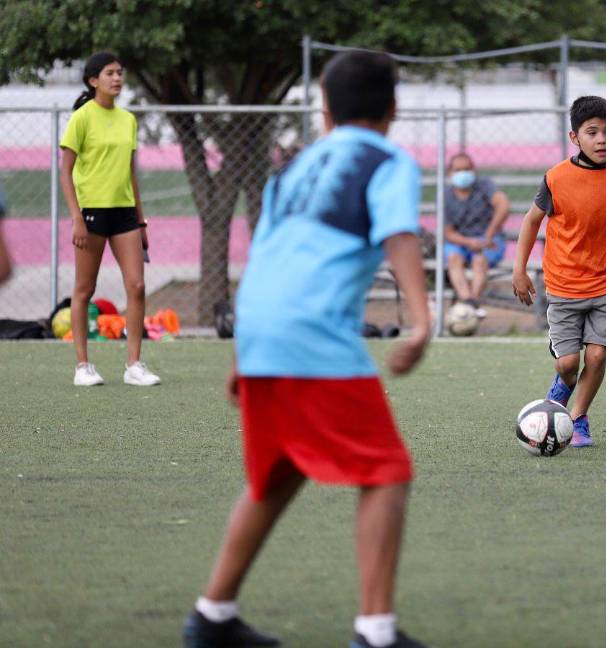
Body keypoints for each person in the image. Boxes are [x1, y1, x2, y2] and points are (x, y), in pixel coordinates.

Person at [182, 51, 431, 648]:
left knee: (277, 474)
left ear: (324, 111)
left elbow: (264, 255)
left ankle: (212, 617)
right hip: (312, 335)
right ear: (393, 109)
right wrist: (421, 322)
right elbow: (398, 233)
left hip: (263, 328)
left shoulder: (291, 169)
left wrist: (244, 350)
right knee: (386, 472)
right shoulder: (388, 160)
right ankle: (375, 632)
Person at [512, 96, 606, 448]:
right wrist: (519, 270)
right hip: (564, 283)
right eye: (592, 132)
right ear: (575, 138)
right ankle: (561, 386)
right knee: (568, 363)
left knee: (599, 354)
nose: (602, 139)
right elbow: (530, 222)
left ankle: (579, 416)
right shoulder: (556, 179)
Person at [60, 52, 160, 387]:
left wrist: (141, 221)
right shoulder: (81, 118)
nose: (117, 78)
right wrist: (76, 217)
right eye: (109, 73)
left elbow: (131, 174)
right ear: (93, 80)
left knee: (137, 285)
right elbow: (66, 171)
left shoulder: (128, 120)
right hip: (91, 213)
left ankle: (134, 364)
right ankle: (83, 366)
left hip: (125, 214)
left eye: (120, 73)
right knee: (84, 289)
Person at [443, 152, 510, 318]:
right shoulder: (446, 195)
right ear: (450, 173)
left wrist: (487, 237)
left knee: (479, 260)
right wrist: (468, 242)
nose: (463, 173)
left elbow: (503, 205)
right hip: (461, 242)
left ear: (473, 170)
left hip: (488, 240)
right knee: (453, 258)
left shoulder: (484, 185)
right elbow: (447, 232)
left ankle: (468, 305)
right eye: (458, 170)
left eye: (467, 169)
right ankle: (470, 304)